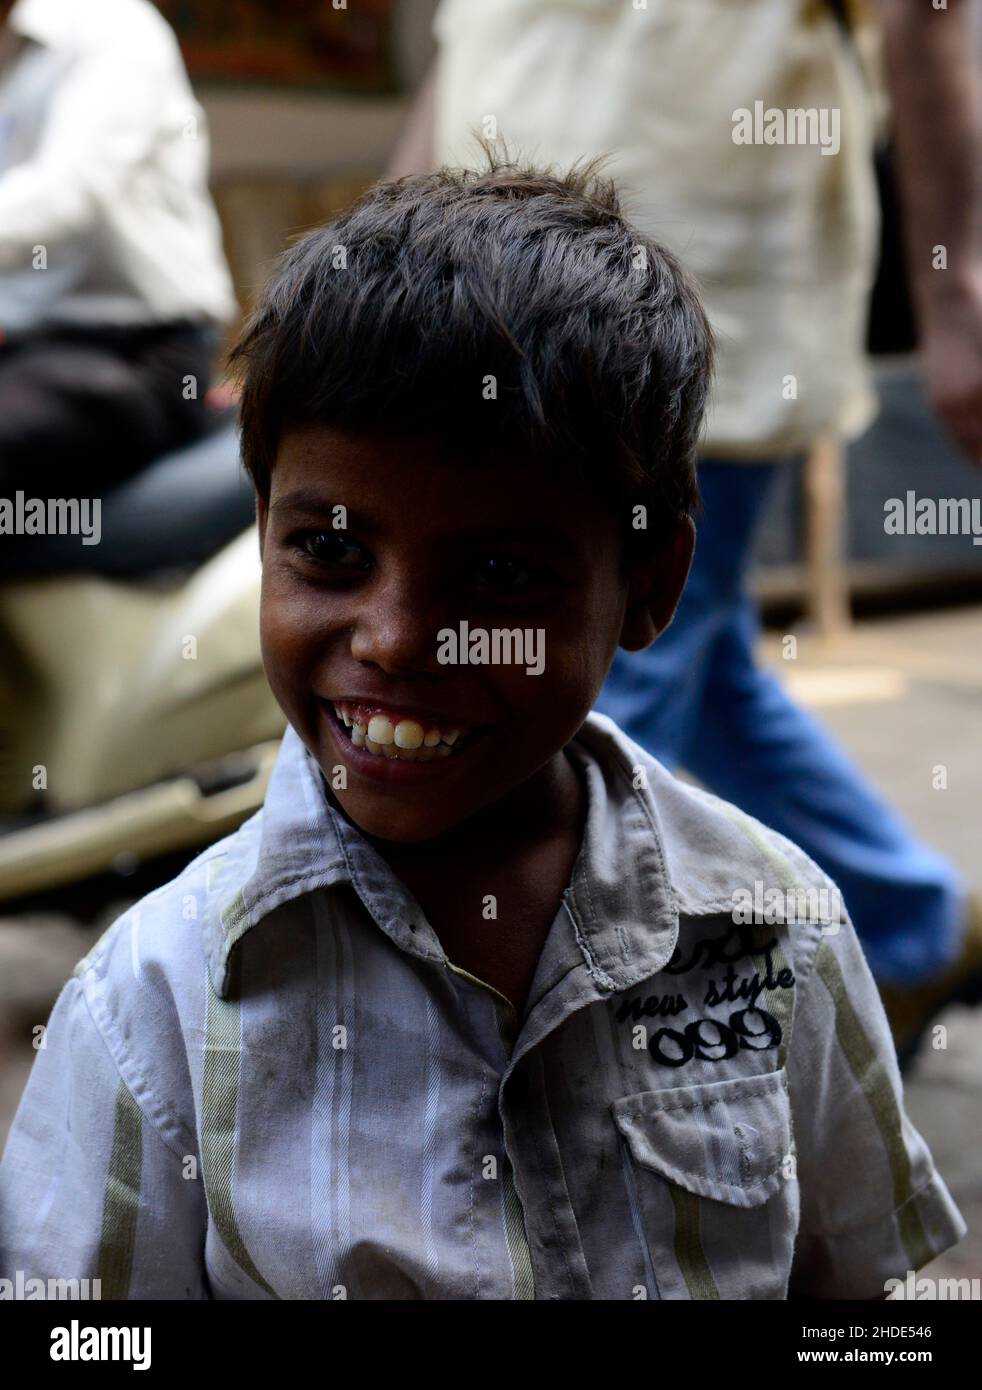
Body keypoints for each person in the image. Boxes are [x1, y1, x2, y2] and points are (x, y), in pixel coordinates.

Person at [0, 159, 964, 1298]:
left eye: (501, 573)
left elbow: (863, 1303)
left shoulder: (772, 931)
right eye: (330, 551)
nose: (402, 640)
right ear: (260, 531)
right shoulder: (153, 1002)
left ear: (651, 584)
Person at [385, 0, 982, 1069]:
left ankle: (550, 1048)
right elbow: (466, 37)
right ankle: (907, 921)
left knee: (591, 678)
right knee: (690, 662)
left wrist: (955, 286)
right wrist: (384, 244)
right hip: (488, 296)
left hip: (694, 281)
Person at [0, 0, 238, 496]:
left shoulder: (115, 27)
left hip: (137, 356)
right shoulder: (12, 50)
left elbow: (65, 195)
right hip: (27, 351)